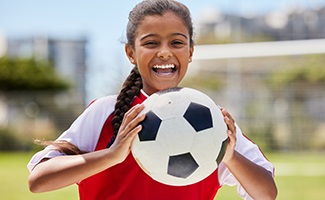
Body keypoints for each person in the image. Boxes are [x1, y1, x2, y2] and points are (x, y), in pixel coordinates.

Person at [27, 0, 277, 199]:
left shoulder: (212, 120)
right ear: (131, 53)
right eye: (151, 43)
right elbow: (38, 181)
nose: (165, 51)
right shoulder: (107, 112)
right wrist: (112, 155)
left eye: (177, 42)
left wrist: (230, 155)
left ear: (190, 51)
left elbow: (266, 194)